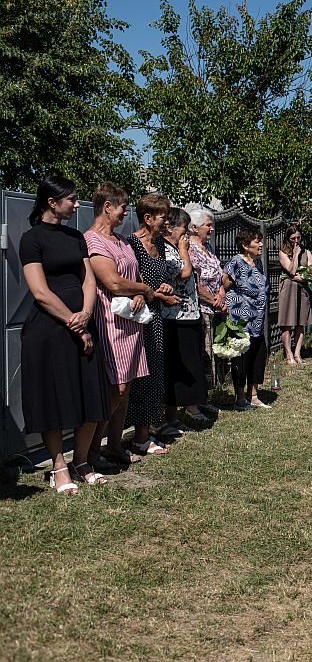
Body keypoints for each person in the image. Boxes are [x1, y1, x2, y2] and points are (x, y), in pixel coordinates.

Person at [19, 176, 109, 493]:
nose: (76, 204)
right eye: (70, 199)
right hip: (49, 330)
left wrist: (85, 315)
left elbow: (88, 281)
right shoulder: (32, 239)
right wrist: (74, 321)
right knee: (54, 399)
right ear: (52, 202)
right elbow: (40, 292)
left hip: (83, 322)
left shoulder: (75, 237)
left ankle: (82, 461)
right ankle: (59, 466)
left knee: (91, 394)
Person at [84, 182, 158, 469]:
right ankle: (92, 451)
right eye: (123, 207)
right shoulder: (93, 241)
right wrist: (143, 289)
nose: (126, 213)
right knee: (115, 387)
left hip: (131, 321)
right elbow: (113, 282)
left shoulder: (122, 241)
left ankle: (114, 445)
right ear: (107, 207)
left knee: (126, 388)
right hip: (110, 322)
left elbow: (132, 276)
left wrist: (140, 292)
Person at [126, 193, 178, 456]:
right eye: (162, 217)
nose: (166, 223)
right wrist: (154, 293)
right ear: (147, 218)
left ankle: (146, 431)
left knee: (155, 373)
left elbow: (159, 279)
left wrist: (164, 288)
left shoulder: (158, 244)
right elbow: (131, 281)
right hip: (138, 319)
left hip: (155, 317)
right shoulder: (131, 244)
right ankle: (139, 436)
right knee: (141, 376)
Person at [161, 207, 211, 427]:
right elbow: (184, 273)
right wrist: (183, 250)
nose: (186, 234)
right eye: (183, 228)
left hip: (190, 313)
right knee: (175, 367)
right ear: (170, 227)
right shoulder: (165, 249)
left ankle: (188, 408)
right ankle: (172, 416)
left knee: (189, 364)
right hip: (174, 316)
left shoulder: (178, 246)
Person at [222, 227, 270, 411]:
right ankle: (240, 398)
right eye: (257, 241)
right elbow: (225, 284)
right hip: (242, 318)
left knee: (258, 355)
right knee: (241, 357)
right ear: (245, 245)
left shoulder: (257, 263)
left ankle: (254, 396)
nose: (261, 245)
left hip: (258, 320)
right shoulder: (236, 261)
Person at [188, 207, 226, 398]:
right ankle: (205, 394)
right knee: (205, 351)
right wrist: (214, 301)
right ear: (194, 228)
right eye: (208, 225)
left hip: (216, 307)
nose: (211, 229)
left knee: (218, 350)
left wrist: (221, 293)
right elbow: (196, 283)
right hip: (203, 309)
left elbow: (219, 275)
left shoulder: (209, 248)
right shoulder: (190, 249)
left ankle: (217, 390)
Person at [277, 225, 312, 365]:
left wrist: (302, 277)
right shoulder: (283, 252)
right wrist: (295, 254)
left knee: (301, 322)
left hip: (302, 289)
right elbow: (291, 271)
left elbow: (310, 272)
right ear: (288, 238)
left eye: (298, 237)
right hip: (288, 289)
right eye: (293, 238)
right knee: (287, 323)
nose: (296, 241)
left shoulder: (307, 252)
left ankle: (297, 354)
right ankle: (288, 355)